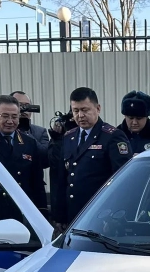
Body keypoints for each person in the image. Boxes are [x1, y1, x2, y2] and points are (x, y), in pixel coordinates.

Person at [51, 87, 132, 231]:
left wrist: (114, 216)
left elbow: (122, 181)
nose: (80, 115)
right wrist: (60, 215)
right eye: (76, 111)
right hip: (73, 215)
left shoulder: (112, 136)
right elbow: (63, 179)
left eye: (85, 110)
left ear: (98, 108)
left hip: (100, 215)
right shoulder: (69, 137)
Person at [9, 90, 51, 168]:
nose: (24, 109)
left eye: (27, 106)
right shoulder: (4, 130)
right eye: (19, 105)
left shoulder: (40, 132)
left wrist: (26, 133)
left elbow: (46, 160)